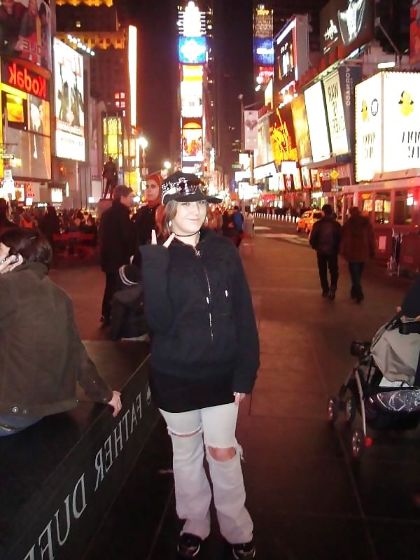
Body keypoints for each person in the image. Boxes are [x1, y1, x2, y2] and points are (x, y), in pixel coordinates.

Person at [139, 173, 259, 560]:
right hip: (174, 375)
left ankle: (237, 527)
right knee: (186, 453)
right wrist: (154, 264)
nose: (195, 211)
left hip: (221, 373)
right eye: (186, 204)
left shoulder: (223, 250)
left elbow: (243, 314)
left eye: (200, 203)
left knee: (223, 451)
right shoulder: (158, 256)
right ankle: (194, 521)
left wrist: (246, 372)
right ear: (168, 210)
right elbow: (158, 323)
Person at [0, 229, 122, 436]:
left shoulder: (5, 287)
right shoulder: (59, 295)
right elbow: (77, 353)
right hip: (41, 409)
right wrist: (105, 394)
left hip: (9, 411)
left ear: (15, 259)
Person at [99, 185, 135, 325]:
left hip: (108, 257)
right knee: (118, 287)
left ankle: (106, 313)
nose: (132, 200)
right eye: (130, 197)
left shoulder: (106, 214)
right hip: (119, 257)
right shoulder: (122, 214)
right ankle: (115, 314)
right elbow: (127, 236)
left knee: (110, 285)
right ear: (122, 197)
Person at [340, 206, 375, 303]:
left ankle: (358, 292)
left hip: (352, 252)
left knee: (354, 274)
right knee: (358, 274)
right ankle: (354, 291)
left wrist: (342, 251)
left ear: (351, 213)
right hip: (364, 251)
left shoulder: (348, 224)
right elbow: (371, 238)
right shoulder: (366, 223)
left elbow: (344, 239)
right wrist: (372, 250)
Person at [309, 203, 342, 300]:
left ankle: (325, 289)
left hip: (321, 251)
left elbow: (312, 238)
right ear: (331, 212)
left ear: (323, 212)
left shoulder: (318, 224)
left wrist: (315, 246)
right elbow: (340, 237)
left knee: (322, 271)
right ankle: (333, 287)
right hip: (333, 251)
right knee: (333, 270)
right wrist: (337, 248)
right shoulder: (336, 225)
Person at [133, 172, 162, 246]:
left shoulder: (164, 211)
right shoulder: (142, 211)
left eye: (153, 186)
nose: (149, 190)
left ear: (160, 189)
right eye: (147, 186)